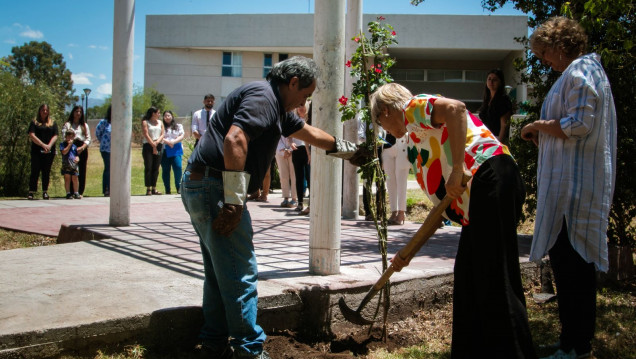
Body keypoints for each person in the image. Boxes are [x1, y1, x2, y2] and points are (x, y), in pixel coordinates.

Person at [180, 56, 357, 359]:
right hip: (215, 188)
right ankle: (249, 350)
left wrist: (350, 151)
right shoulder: (264, 98)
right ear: (292, 83)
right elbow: (235, 139)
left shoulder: (277, 107)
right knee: (240, 271)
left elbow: (310, 134)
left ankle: (213, 342)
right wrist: (235, 203)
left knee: (220, 270)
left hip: (202, 184)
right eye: (305, 94)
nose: (305, 101)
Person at [370, 83, 535, 359]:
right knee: (469, 280)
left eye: (380, 122)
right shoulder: (416, 141)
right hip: (479, 199)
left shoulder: (414, 109)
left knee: (496, 279)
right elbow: (440, 211)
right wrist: (407, 253)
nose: (385, 130)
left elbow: (456, 109)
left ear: (386, 110)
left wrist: (458, 168)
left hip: (490, 177)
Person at [521, 16, 617, 359]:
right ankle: (569, 341)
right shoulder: (579, 73)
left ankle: (578, 346)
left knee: (575, 269)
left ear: (561, 45)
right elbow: (573, 130)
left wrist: (537, 125)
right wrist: (545, 137)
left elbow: (578, 124)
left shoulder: (580, 72)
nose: (544, 60)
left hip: (574, 193)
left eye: (545, 52)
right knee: (567, 266)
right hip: (570, 190)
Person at [27, 104, 58, 200]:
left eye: (46, 110)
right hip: (37, 151)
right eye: (43, 110)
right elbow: (32, 135)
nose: (44, 112)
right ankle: (31, 192)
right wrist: (42, 145)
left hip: (49, 151)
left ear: (48, 111)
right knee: (35, 171)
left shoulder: (52, 123)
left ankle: (45, 191)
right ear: (39, 111)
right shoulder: (34, 122)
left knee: (46, 172)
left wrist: (49, 145)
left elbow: (56, 135)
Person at [381, 132, 410, 225]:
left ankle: (401, 212)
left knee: (401, 181)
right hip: (386, 146)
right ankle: (394, 211)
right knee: (390, 182)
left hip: (402, 142)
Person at [62, 106, 91, 197]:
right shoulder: (68, 125)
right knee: (70, 170)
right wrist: (71, 146)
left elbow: (88, 138)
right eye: (76, 111)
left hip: (82, 149)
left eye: (80, 112)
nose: (78, 113)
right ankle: (70, 192)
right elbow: (64, 137)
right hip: (70, 148)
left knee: (81, 170)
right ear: (73, 112)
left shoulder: (84, 126)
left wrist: (82, 147)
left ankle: (79, 192)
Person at [478, 69, 513, 144]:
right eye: (489, 79)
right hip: (486, 139)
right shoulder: (487, 100)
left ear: (500, 82)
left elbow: (504, 125)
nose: (491, 82)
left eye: (495, 80)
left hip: (497, 139)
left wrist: (499, 143)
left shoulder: (503, 99)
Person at [291, 99, 311, 212]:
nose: (300, 108)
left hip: (307, 150)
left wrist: (309, 153)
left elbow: (308, 138)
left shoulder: (309, 119)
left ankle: (311, 204)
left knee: (309, 177)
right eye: (298, 106)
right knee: (299, 178)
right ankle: (300, 203)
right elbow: (289, 135)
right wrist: (290, 143)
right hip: (296, 150)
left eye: (302, 106)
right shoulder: (294, 119)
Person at [141, 107, 165, 195]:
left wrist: (157, 143)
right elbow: (146, 134)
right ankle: (148, 188)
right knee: (148, 166)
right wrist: (153, 144)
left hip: (158, 145)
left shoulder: (160, 122)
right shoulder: (145, 122)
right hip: (148, 145)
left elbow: (162, 134)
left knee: (156, 167)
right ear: (153, 113)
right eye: (158, 113)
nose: (159, 114)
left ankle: (154, 187)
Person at [160, 110, 185, 194]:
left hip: (176, 150)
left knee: (178, 167)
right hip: (165, 150)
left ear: (172, 116)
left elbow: (181, 136)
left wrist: (173, 142)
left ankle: (178, 187)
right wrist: (168, 142)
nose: (167, 117)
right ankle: (167, 189)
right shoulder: (161, 126)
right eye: (165, 116)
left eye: (169, 115)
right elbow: (159, 136)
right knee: (166, 170)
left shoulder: (178, 126)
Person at [275, 135, 297, 208]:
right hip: (280, 152)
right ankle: (285, 198)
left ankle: (294, 199)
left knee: (294, 176)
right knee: (283, 175)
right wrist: (284, 150)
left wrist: (290, 149)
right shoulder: (278, 123)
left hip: (294, 151)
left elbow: (297, 138)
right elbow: (276, 137)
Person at [95, 106, 112, 197]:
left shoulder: (120, 121)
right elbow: (98, 133)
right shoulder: (104, 122)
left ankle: (114, 188)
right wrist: (104, 141)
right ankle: (107, 189)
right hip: (106, 149)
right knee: (108, 168)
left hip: (117, 150)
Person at [60, 129, 81, 199]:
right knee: (67, 179)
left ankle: (76, 192)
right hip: (66, 164)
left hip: (74, 165)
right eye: (68, 137)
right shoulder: (62, 144)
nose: (70, 139)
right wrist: (69, 145)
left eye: (72, 137)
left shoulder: (74, 146)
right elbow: (64, 152)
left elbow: (76, 154)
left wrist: (78, 158)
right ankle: (68, 193)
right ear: (65, 137)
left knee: (75, 178)